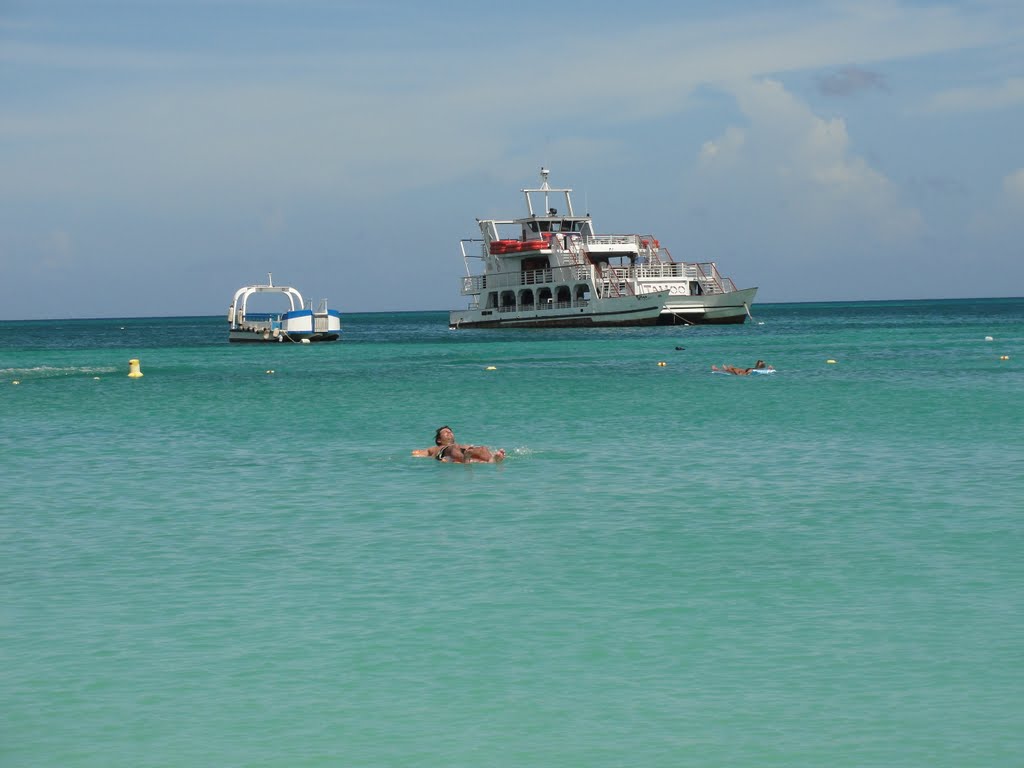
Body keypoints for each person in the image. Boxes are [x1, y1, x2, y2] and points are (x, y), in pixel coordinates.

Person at [412, 425, 505, 463]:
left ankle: (492, 459)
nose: (449, 433)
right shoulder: (435, 448)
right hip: (444, 453)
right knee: (455, 447)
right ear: (439, 440)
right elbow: (418, 453)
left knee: (482, 448)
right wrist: (417, 453)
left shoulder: (459, 445)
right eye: (446, 432)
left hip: (460, 451)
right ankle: (466, 459)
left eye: (451, 432)